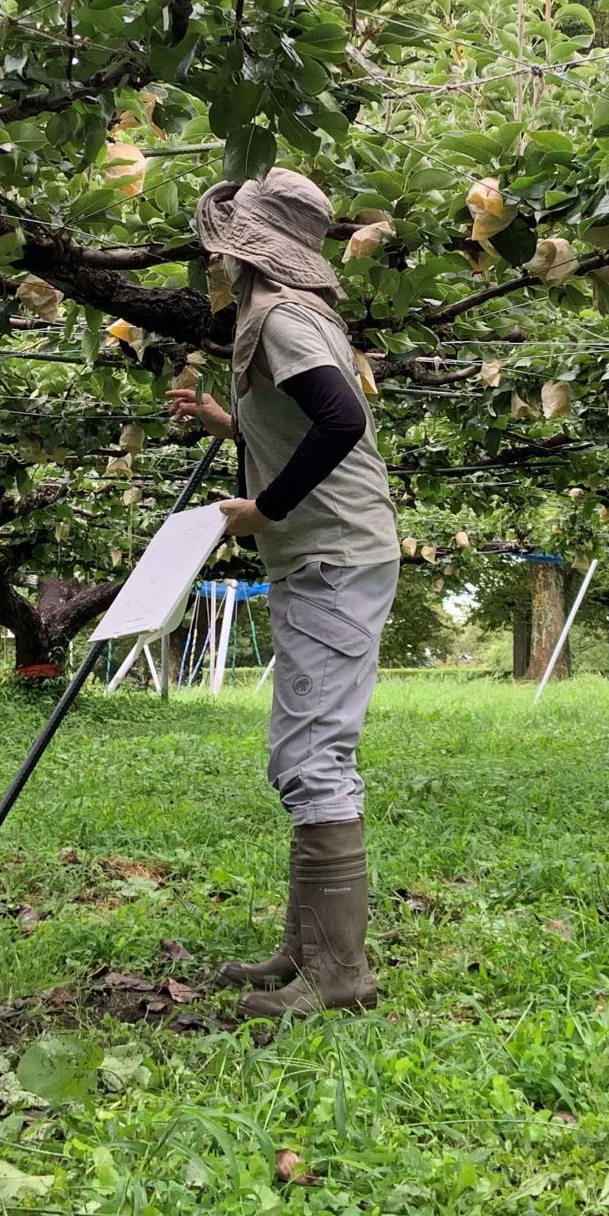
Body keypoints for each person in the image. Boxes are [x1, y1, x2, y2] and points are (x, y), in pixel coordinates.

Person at [168, 167, 402, 1020]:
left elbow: (341, 421)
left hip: (331, 556)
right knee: (299, 749)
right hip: (328, 553)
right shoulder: (294, 319)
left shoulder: (280, 319)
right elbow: (310, 422)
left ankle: (338, 974)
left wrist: (263, 508)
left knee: (314, 757)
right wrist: (226, 424)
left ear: (240, 250)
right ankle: (303, 949)